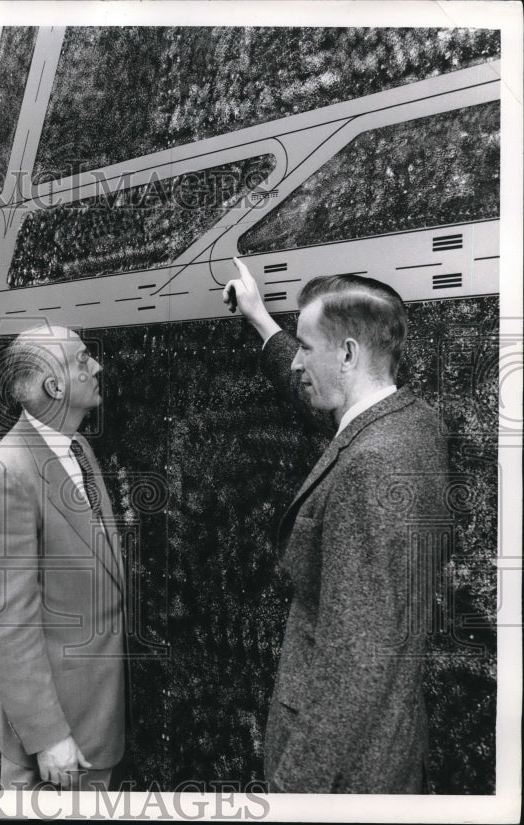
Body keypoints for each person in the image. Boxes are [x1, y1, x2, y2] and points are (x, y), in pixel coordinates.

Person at [223, 257, 447, 793]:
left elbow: (354, 662)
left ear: (347, 354)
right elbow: (334, 417)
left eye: (305, 347)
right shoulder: (412, 423)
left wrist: (294, 792)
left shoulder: (370, 468)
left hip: (345, 775)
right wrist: (260, 320)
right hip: (388, 746)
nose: (297, 363)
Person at [0, 325, 126, 790]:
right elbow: (5, 622)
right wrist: (48, 735)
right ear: (55, 387)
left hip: (94, 721)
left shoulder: (77, 449)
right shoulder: (7, 473)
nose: (96, 367)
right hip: (59, 742)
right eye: (82, 361)